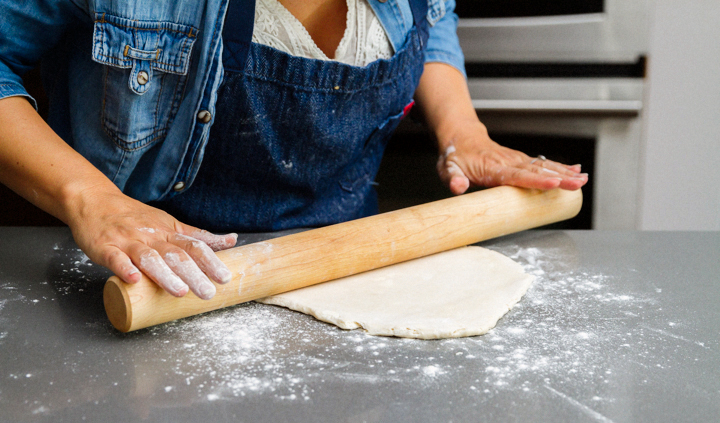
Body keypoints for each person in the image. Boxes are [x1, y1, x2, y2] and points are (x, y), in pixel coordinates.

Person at [0, 0, 587, 300]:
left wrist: (465, 131)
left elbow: (433, 18)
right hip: (144, 277)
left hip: (345, 264)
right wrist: (92, 201)